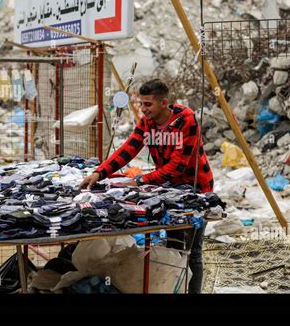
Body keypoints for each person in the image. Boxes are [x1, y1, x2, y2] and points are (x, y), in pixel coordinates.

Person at [80, 78, 214, 293]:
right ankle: (175, 289)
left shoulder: (185, 120)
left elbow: (176, 167)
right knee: (173, 246)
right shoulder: (147, 122)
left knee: (192, 251)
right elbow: (127, 150)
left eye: (148, 104)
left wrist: (140, 181)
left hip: (195, 189)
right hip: (168, 189)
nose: (143, 109)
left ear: (164, 103)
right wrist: (99, 173)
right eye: (141, 104)